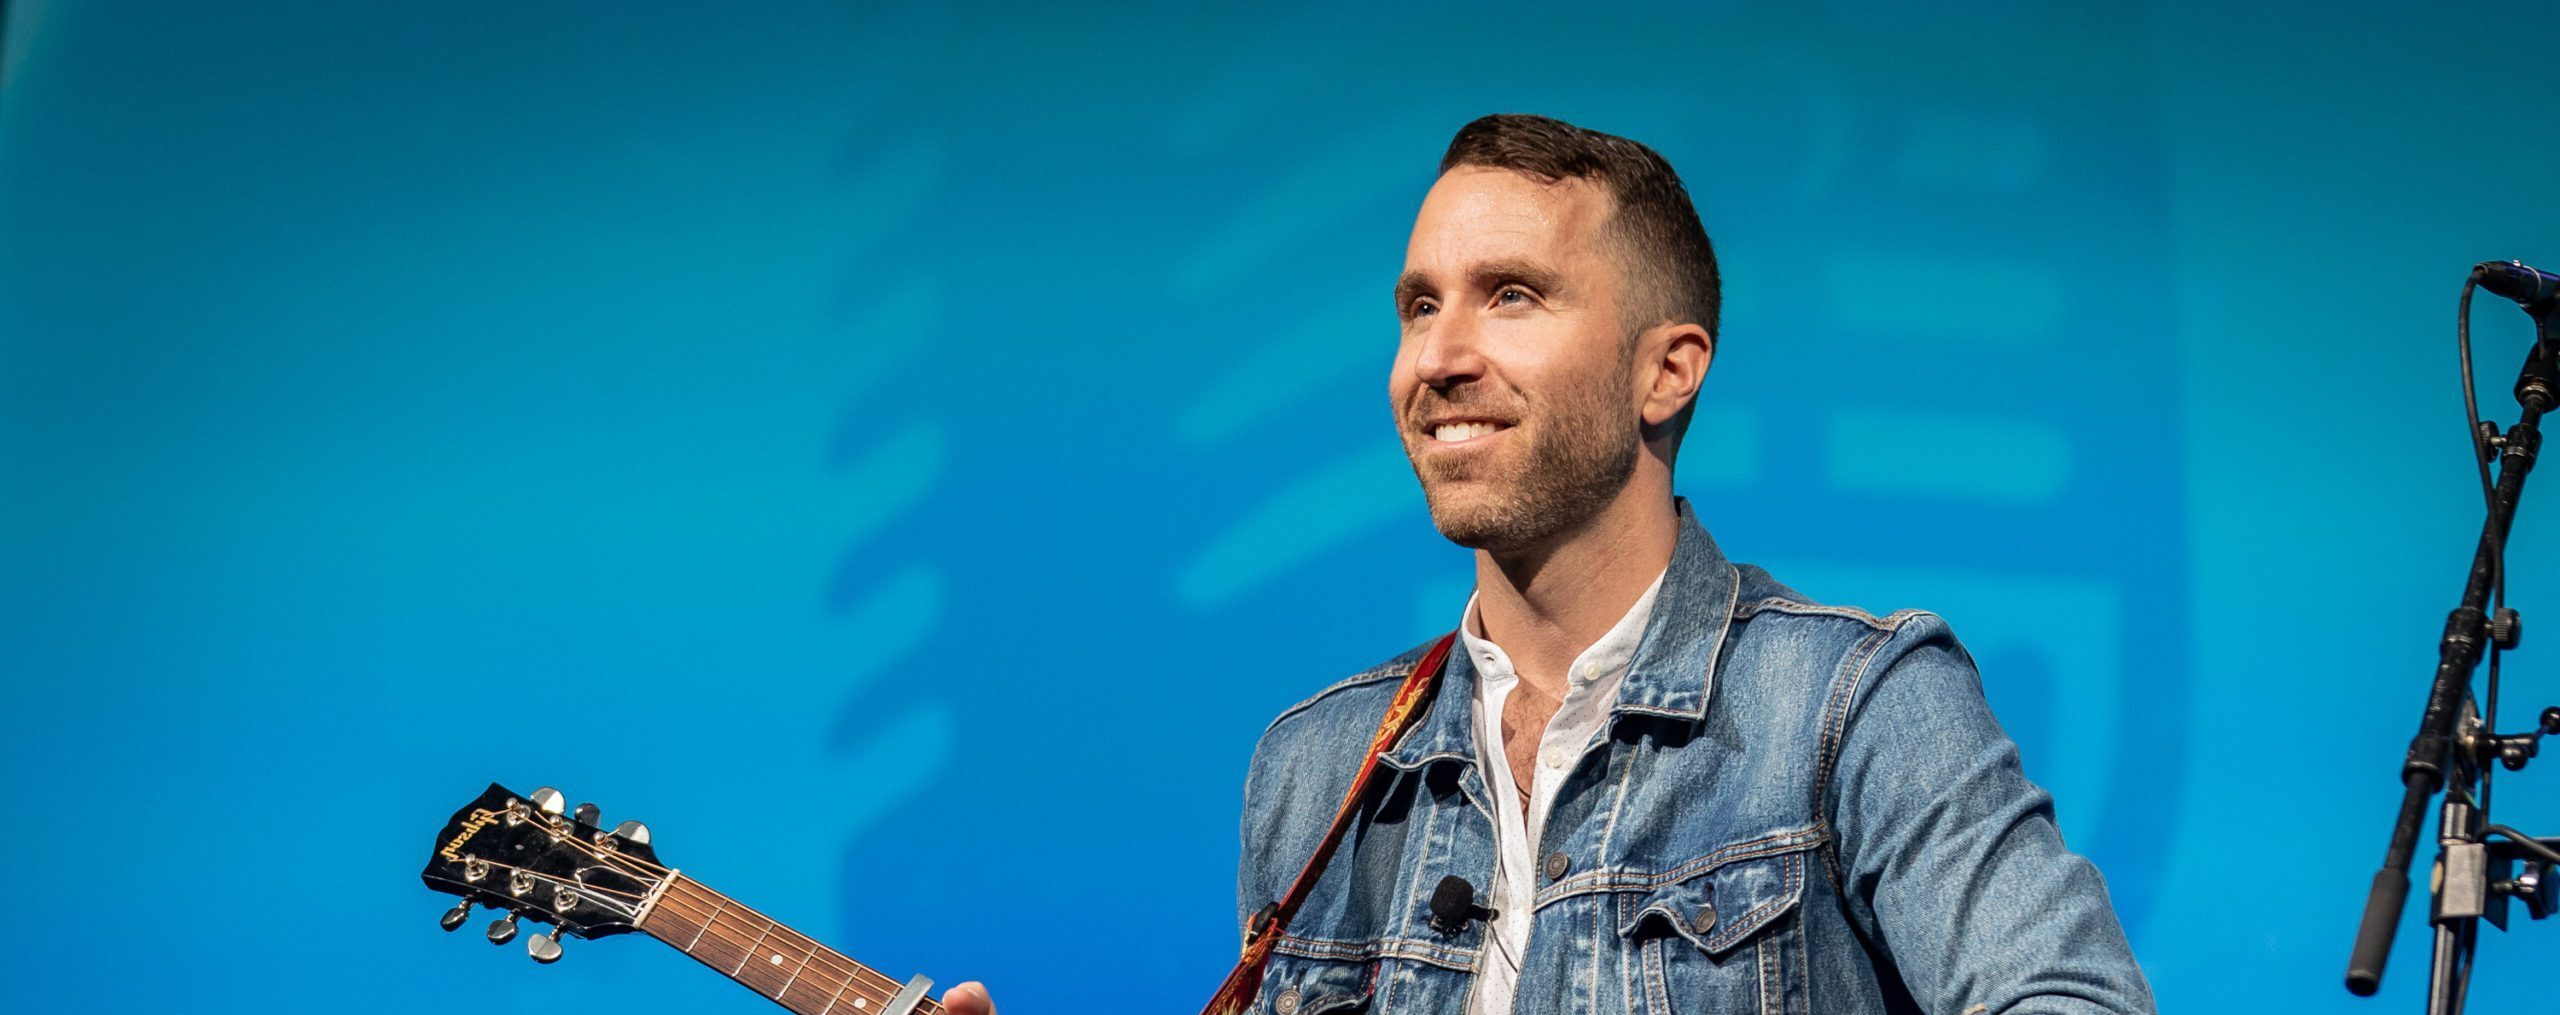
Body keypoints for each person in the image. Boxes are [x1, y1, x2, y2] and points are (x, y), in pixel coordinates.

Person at [949, 112, 2152, 1015]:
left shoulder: (1853, 706)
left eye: (1510, 295)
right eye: (1419, 306)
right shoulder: (1315, 768)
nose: (1439, 357)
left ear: (1666, 370)